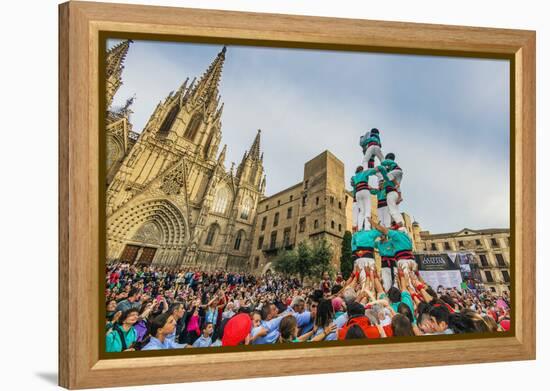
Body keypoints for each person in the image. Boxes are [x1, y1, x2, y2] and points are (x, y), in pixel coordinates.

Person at [351, 166, 379, 231]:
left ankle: (360, 228)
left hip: (358, 193)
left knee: (361, 211)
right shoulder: (365, 172)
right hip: (365, 191)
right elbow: (373, 171)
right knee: (367, 210)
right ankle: (367, 227)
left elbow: (353, 184)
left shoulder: (354, 177)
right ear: (362, 169)